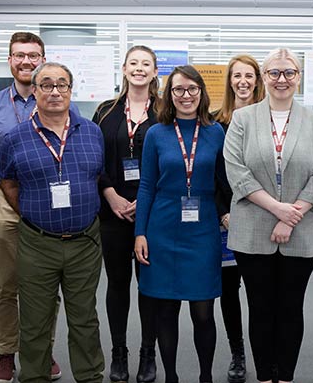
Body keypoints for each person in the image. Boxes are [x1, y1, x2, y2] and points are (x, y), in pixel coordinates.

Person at [223, 48, 313, 383]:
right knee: (260, 308)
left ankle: (284, 376)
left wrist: (289, 216)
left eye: (289, 73)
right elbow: (236, 170)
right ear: (264, 77)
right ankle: (264, 377)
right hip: (252, 227)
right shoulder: (243, 119)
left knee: (290, 307)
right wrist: (277, 209)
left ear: (298, 78)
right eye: (274, 73)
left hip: (302, 230)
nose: (282, 79)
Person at [0, 62, 105, 383]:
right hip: (37, 243)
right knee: (34, 322)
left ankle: (89, 376)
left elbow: (96, 177)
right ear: (34, 91)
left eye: (62, 84)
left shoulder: (92, 132)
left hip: (85, 242)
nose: (55, 91)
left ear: (71, 91)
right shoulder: (14, 139)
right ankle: (34, 377)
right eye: (46, 85)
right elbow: (8, 184)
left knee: (85, 319)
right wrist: (35, 214)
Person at [133, 65, 225, 383]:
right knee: (166, 311)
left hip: (202, 231)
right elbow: (146, 186)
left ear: (201, 92)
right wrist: (140, 233)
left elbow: (224, 181)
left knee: (203, 311)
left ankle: (205, 376)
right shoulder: (156, 133)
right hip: (162, 229)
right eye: (178, 90)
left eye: (191, 89)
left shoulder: (216, 131)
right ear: (169, 95)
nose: (185, 96)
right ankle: (170, 376)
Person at [0, 32, 62, 383]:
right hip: (3, 201)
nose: (26, 61)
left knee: (46, 283)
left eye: (33, 55)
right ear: (10, 60)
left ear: (43, 58)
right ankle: (5, 354)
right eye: (19, 55)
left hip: (46, 199)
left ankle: (43, 349)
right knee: (6, 284)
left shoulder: (60, 101)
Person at [92, 45, 160, 383]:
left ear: (155, 71)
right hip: (113, 212)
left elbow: (174, 162)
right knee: (117, 284)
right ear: (123, 69)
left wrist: (146, 202)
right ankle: (119, 352)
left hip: (152, 214)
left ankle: (149, 353)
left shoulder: (166, 111)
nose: (139, 68)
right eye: (133, 63)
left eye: (145, 64)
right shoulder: (106, 111)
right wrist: (110, 194)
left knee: (149, 286)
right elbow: (93, 159)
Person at [214, 54, 266, 383]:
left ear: (257, 80)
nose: (243, 81)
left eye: (249, 75)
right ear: (230, 81)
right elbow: (213, 173)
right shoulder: (215, 122)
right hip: (227, 221)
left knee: (261, 293)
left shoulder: (269, 120)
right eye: (237, 76)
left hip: (262, 217)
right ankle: (238, 353)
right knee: (230, 292)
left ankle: (263, 351)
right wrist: (223, 212)